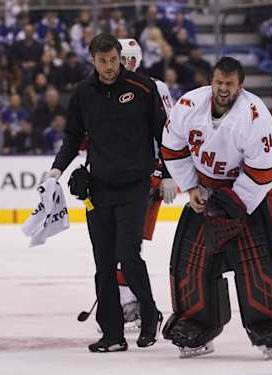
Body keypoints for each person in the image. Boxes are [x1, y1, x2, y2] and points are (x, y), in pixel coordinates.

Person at [160, 57, 272, 359]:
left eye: (229, 84)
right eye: (219, 82)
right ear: (212, 81)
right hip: (205, 194)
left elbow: (265, 170)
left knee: (256, 264)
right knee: (192, 264)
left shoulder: (254, 115)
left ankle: (268, 326)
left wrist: (234, 203)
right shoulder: (188, 105)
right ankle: (196, 325)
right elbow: (172, 147)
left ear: (240, 86)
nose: (223, 89)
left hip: (244, 199)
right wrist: (191, 187)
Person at [42, 33, 167, 352]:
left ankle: (149, 314)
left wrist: (166, 174)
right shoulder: (83, 92)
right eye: (103, 61)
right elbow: (72, 136)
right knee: (103, 263)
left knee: (127, 255)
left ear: (120, 57)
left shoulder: (142, 87)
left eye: (113, 60)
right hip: (98, 190)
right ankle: (112, 334)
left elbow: (163, 134)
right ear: (92, 60)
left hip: (135, 186)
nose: (110, 67)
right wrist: (57, 169)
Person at [114, 38, 178, 330]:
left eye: (130, 58)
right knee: (117, 243)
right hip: (113, 176)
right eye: (121, 58)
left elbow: (169, 130)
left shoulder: (155, 87)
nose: (126, 64)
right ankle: (125, 301)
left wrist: (166, 171)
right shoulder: (101, 89)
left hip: (144, 176)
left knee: (128, 244)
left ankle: (127, 302)